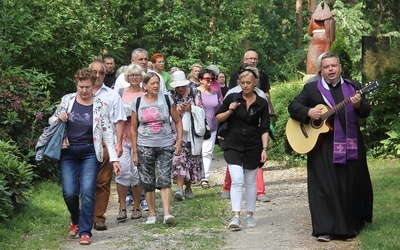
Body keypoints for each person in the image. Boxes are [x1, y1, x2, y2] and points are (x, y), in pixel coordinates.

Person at [288, 52, 373, 242]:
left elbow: (366, 112)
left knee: (350, 184)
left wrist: (359, 105)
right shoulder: (311, 89)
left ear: (340, 67)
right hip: (322, 147)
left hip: (351, 146)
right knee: (323, 188)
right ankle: (324, 229)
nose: (331, 69)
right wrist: (308, 111)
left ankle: (350, 227)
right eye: (326, 67)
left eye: (334, 66)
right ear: (321, 70)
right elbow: (293, 107)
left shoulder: (353, 87)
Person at [50, 68, 122, 245]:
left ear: (93, 85)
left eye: (87, 87)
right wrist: (59, 117)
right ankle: (75, 219)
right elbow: (51, 121)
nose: (84, 90)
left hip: (90, 152)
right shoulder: (67, 100)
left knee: (88, 191)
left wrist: (114, 159)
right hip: (68, 152)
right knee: (69, 193)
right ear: (77, 85)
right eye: (81, 86)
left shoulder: (100, 105)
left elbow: (107, 133)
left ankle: (85, 231)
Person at [216, 66, 270, 230]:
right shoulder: (232, 97)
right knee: (237, 179)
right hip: (233, 144)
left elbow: (265, 127)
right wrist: (230, 110)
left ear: (255, 84)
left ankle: (250, 215)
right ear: (239, 83)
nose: (246, 85)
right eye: (243, 82)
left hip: (253, 145)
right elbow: (218, 118)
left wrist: (264, 149)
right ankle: (236, 216)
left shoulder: (261, 103)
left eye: (249, 82)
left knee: (250, 181)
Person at [131, 72, 183, 225]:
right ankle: (152, 214)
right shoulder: (138, 102)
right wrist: (134, 151)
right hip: (144, 145)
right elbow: (133, 128)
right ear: (145, 86)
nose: (155, 86)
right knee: (148, 181)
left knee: (165, 178)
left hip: (165, 144)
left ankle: (167, 213)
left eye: (157, 83)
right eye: (152, 83)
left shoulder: (167, 99)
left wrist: (179, 141)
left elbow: (178, 121)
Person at [89, 61, 127, 231]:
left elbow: (119, 120)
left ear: (105, 75)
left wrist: (118, 143)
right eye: (94, 72)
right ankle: (83, 216)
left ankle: (98, 217)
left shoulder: (112, 95)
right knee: (84, 183)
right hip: (84, 142)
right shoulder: (80, 93)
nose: (97, 76)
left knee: (103, 181)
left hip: (106, 143)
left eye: (101, 73)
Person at [115, 64, 146, 222]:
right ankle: (121, 207)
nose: (134, 77)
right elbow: (115, 115)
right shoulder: (121, 92)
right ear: (127, 77)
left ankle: (137, 206)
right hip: (123, 137)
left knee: (137, 173)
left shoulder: (145, 93)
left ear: (142, 77)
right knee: (122, 171)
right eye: (132, 75)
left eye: (137, 75)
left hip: (141, 138)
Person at [169, 70, 204, 200]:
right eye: (177, 86)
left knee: (191, 159)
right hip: (176, 134)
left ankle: (188, 187)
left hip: (192, 134)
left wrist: (191, 109)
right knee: (178, 159)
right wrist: (176, 111)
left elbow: (202, 110)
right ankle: (179, 188)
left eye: (182, 86)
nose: (179, 89)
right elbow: (165, 113)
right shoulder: (169, 95)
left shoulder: (195, 92)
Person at [197, 69, 223, 188]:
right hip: (196, 128)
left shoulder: (216, 93)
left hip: (212, 127)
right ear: (200, 80)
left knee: (207, 152)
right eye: (207, 79)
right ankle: (194, 176)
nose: (210, 81)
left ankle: (205, 178)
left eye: (212, 79)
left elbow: (221, 108)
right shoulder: (194, 92)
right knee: (196, 152)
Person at [306, 0, 335, 75]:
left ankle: (313, 73)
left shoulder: (313, 18)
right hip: (326, 40)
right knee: (325, 57)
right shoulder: (330, 18)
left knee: (313, 58)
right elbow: (333, 34)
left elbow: (309, 31)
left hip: (315, 40)